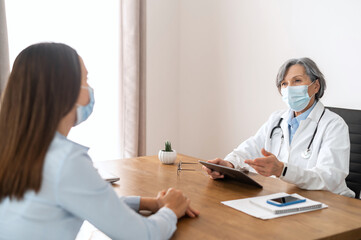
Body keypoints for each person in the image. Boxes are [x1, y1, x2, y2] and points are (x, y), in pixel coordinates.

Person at [0, 42, 199, 239]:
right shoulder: (66, 161)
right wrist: (171, 209)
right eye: (86, 81)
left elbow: (86, 199)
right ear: (65, 90)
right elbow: (144, 235)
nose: (90, 89)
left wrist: (149, 203)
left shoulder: (18, 149)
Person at [203, 58, 355, 198]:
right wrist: (229, 164)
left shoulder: (334, 125)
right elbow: (250, 149)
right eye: (284, 83)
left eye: (297, 81)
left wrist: (282, 170)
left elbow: (330, 178)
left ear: (316, 86)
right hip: (288, 197)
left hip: (330, 204)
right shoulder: (276, 119)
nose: (289, 88)